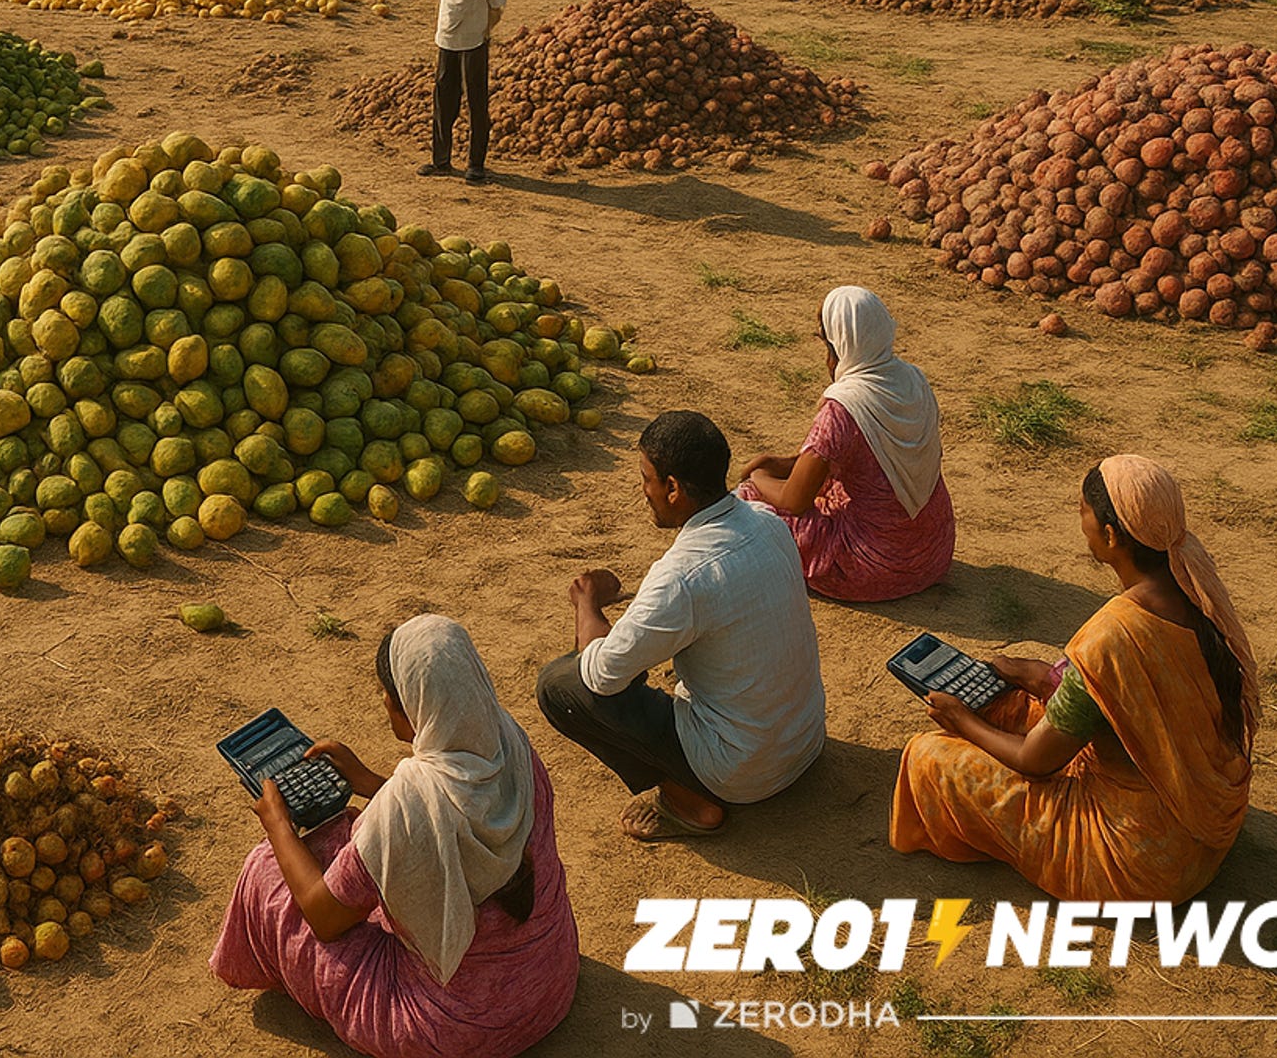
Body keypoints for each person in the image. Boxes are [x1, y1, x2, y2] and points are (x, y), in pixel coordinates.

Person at [888, 456, 1258, 904]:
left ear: (1110, 535)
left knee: (928, 756)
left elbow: (1033, 760)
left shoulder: (1113, 636)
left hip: (1136, 863)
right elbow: (1126, 701)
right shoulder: (1198, 592)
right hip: (1200, 840)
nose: (1080, 522)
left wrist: (960, 719)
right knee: (1011, 703)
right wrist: (1039, 677)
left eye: (1083, 511)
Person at [211, 614, 580, 1058]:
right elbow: (456, 817)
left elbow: (324, 917)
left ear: (410, 704)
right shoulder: (511, 742)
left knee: (266, 869)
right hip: (548, 984)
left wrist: (277, 825)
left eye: (387, 693)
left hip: (451, 1031)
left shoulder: (408, 803)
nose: (383, 700)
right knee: (352, 834)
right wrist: (370, 782)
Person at [538, 411, 826, 840]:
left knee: (561, 684)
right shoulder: (769, 522)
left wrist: (587, 601)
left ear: (672, 488)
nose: (643, 491)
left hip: (742, 772)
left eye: (646, 479)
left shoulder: (681, 577)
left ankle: (687, 802)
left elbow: (600, 677)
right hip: (804, 742)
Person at [738, 286, 956, 602]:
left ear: (837, 346)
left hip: (874, 566)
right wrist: (780, 463)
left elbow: (794, 500)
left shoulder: (844, 409)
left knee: (745, 500)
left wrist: (756, 478)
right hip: (930, 553)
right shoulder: (913, 381)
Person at [421, 0, 504, 185]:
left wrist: (485, 29)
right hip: (447, 33)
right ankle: (441, 160)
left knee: (476, 100)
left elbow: (497, 0)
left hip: (474, 35)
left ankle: (475, 164)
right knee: (444, 97)